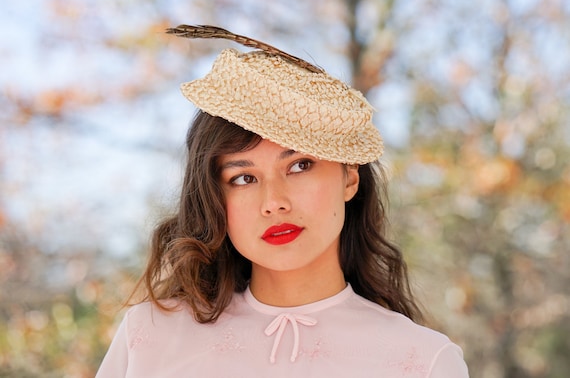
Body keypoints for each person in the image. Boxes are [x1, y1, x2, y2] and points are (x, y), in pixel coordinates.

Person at [96, 25, 469, 377]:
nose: (273, 202)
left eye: (300, 165)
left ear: (349, 177)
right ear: (214, 197)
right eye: (243, 178)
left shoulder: (423, 362)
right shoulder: (149, 338)